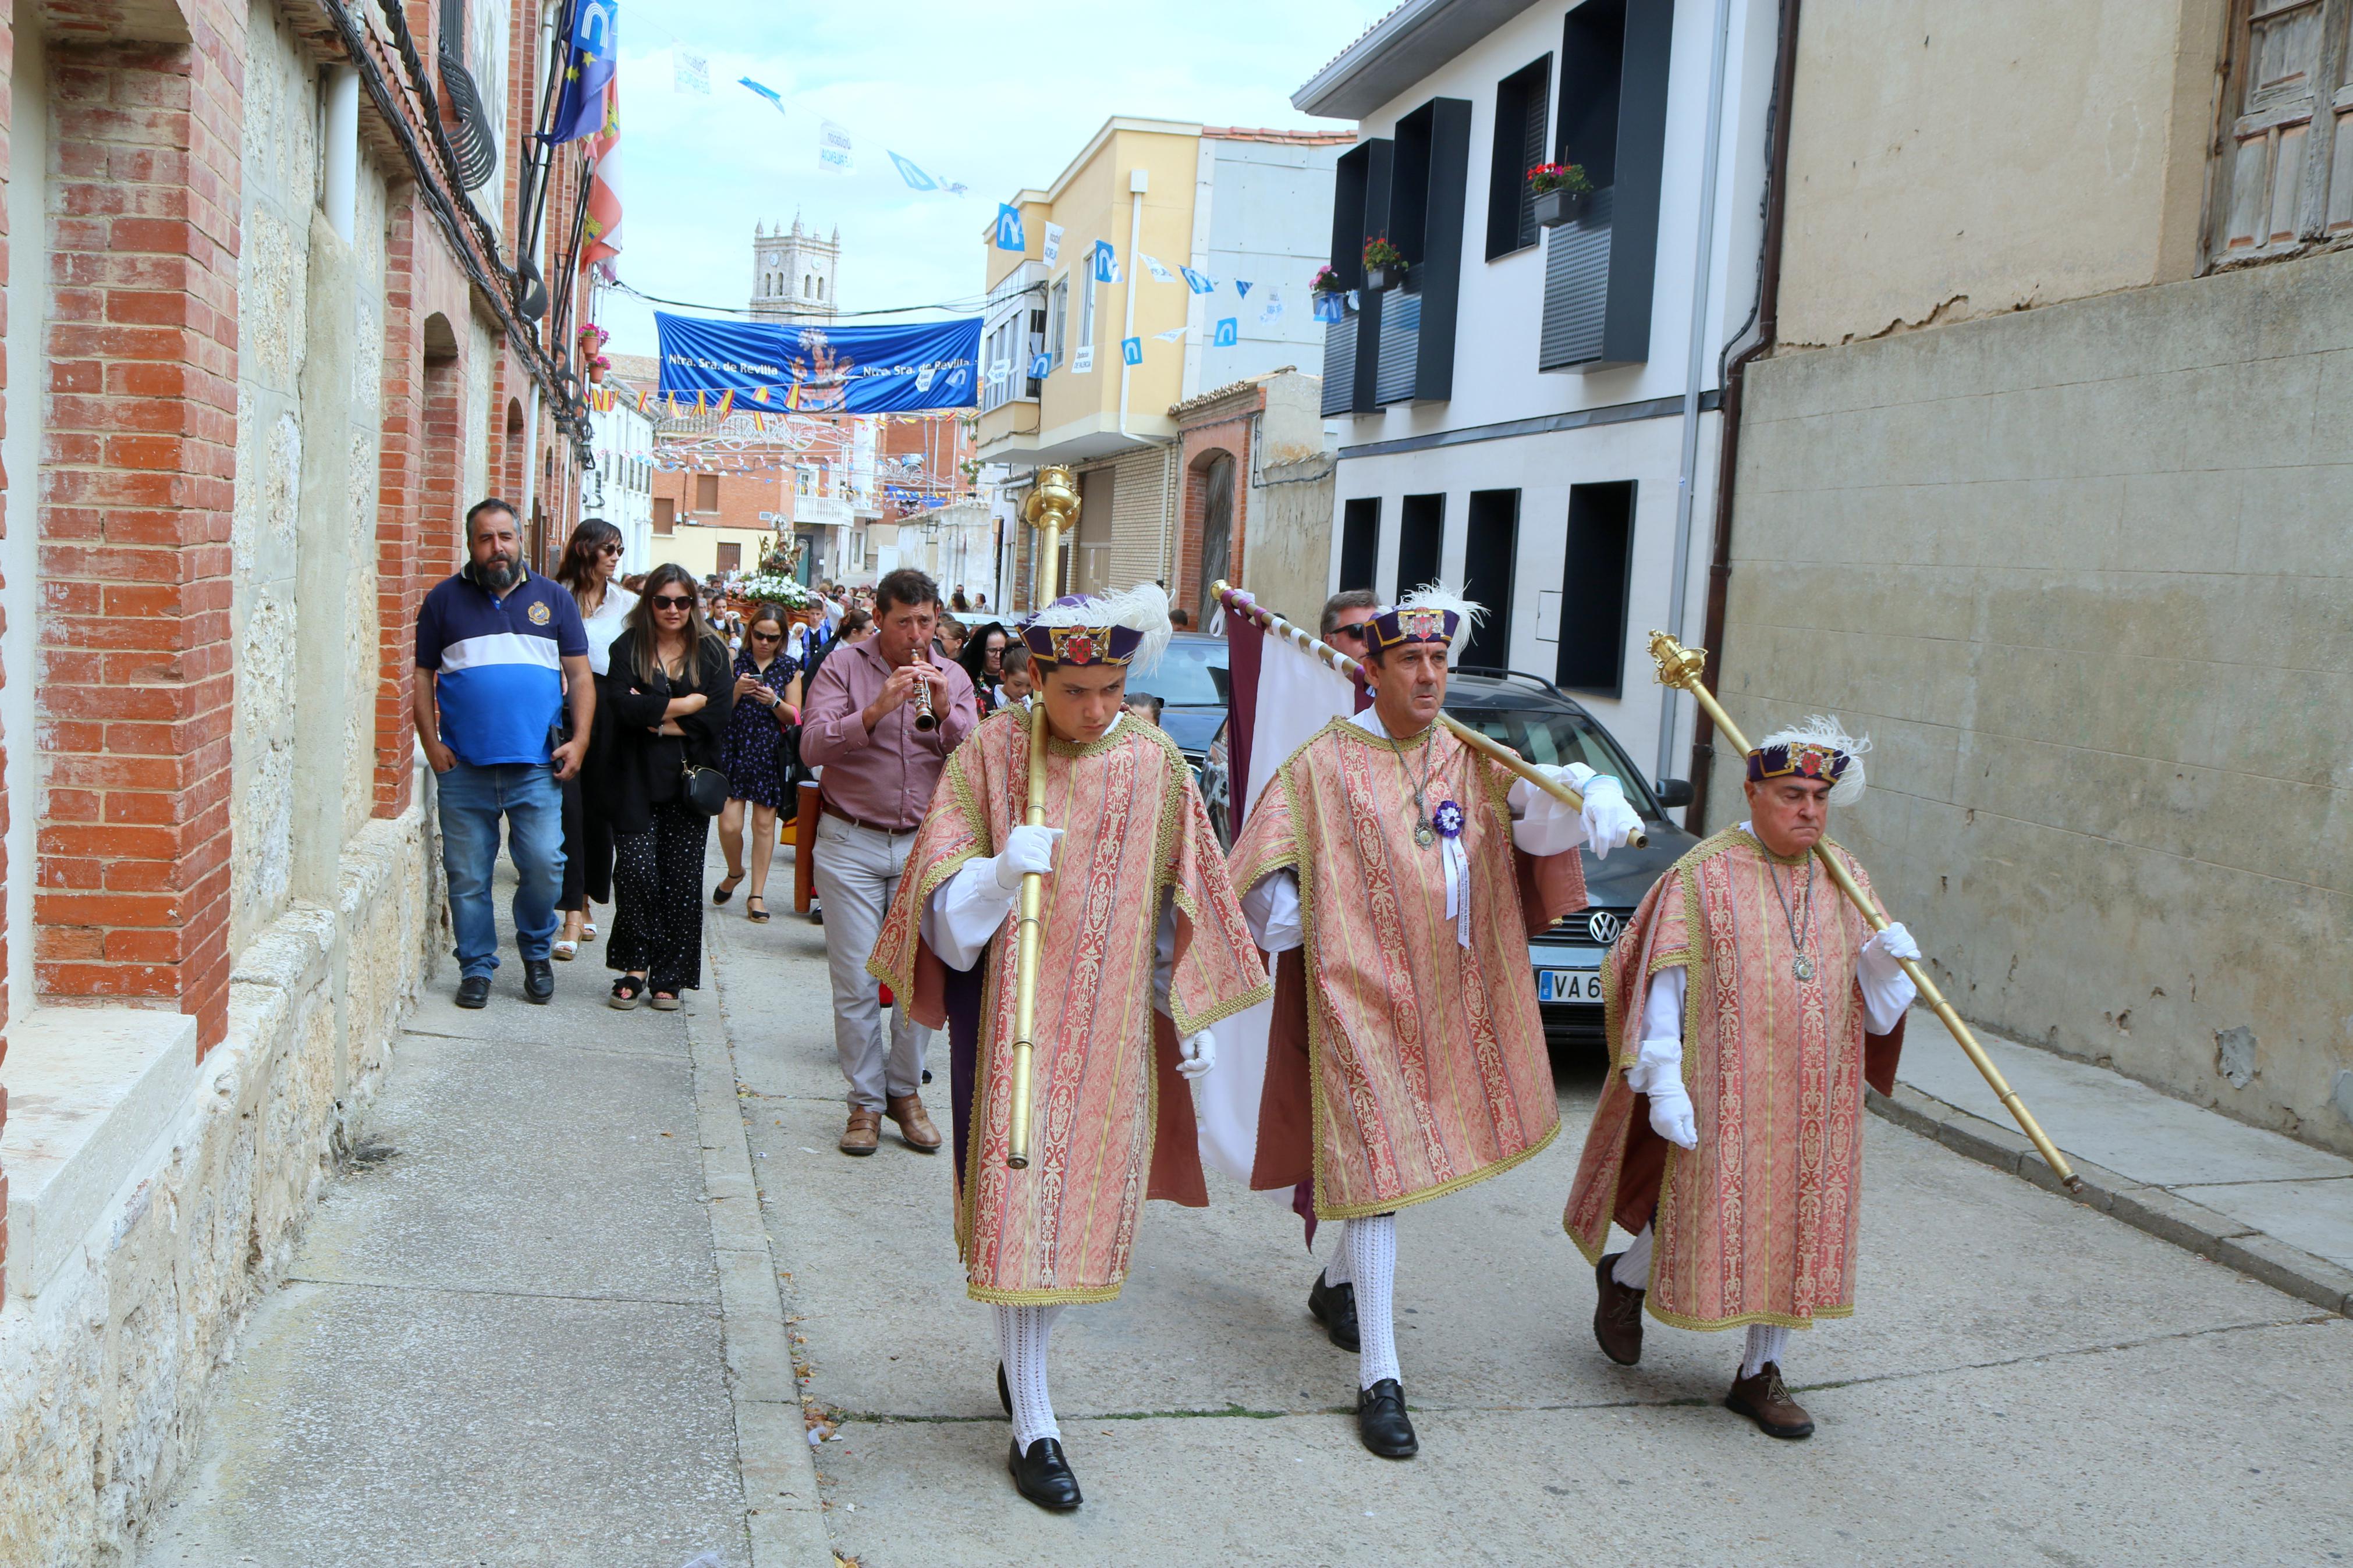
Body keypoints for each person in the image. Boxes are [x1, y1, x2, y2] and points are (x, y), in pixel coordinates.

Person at [867, 583, 1269, 1512]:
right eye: (1075, 689)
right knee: (1017, 1204)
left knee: (1070, 1213)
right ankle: (1036, 1420)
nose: (1096, 709)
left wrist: (1195, 1018)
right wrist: (996, 872)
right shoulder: (993, 753)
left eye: (1113, 688)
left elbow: (1195, 899)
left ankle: (1026, 1370)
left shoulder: (1156, 764)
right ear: (1034, 677)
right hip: (1010, 1025)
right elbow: (938, 913)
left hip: (1109, 1033)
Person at [1224, 584, 1645, 1458]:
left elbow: (1533, 830)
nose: (1427, 675)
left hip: (1445, 995)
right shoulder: (1321, 765)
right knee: (1377, 1172)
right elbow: (1254, 879)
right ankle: (1380, 1374)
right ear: (1369, 671)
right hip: (1356, 996)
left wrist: (1585, 786)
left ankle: (1334, 1281)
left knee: (1397, 1167)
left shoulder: (1471, 752)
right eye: (1409, 660)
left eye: (1438, 660)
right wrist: (1294, 907)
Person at [1563, 718, 1918, 1441]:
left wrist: (1885, 965)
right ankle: (1625, 1279)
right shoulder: (1702, 874)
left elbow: (1879, 1018)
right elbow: (1660, 984)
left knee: (1792, 1220)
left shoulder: (1845, 876)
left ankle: (1760, 1372)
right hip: (1724, 1084)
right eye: (1791, 794)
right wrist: (1661, 1079)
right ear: (1752, 792)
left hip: (1816, 1096)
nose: (1809, 811)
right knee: (1708, 1212)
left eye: (1819, 796)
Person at [800, 568, 979, 1155]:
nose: (915, 634)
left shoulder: (951, 673)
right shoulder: (842, 666)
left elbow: (975, 759)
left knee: (919, 979)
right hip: (850, 840)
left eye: (925, 621)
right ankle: (864, 1103)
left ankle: (903, 1091)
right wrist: (874, 710)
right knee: (855, 980)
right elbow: (812, 746)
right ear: (879, 617)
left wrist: (949, 710)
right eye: (903, 621)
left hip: (923, 845)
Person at [413, 499, 592, 1009]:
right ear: (471, 545)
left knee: (543, 864)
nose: (497, 548)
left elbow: (579, 676)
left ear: (520, 540)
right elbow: (423, 677)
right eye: (486, 539)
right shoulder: (443, 601)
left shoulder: (553, 600)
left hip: (536, 767)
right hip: (464, 767)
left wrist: (578, 741)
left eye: (505, 537)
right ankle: (476, 966)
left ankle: (536, 951)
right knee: (468, 875)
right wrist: (431, 743)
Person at [597, 564, 734, 1010]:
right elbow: (619, 708)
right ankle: (635, 963)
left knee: (680, 881)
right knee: (635, 873)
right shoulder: (627, 647)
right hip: (634, 778)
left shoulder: (711, 651)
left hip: (688, 784)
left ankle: (670, 974)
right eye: (663, 601)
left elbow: (715, 719)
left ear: (692, 603)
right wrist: (682, 705)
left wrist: (654, 718)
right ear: (649, 602)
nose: (672, 610)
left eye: (682, 601)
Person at [552, 519, 638, 961]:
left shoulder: (627, 603)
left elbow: (647, 653)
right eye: (608, 548)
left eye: (619, 550)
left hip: (608, 710)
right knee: (568, 807)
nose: (615, 557)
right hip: (560, 707)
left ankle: (586, 898)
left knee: (598, 807)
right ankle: (570, 905)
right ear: (586, 549)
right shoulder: (553, 594)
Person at [715, 602, 801, 925]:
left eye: (772, 637)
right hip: (735, 748)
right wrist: (736, 691)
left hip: (768, 751)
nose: (765, 642)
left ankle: (757, 894)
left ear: (781, 639)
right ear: (751, 632)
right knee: (729, 824)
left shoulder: (789, 667)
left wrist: (774, 701)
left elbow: (795, 715)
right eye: (760, 635)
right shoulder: (734, 661)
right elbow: (716, 709)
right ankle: (735, 872)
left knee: (764, 826)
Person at [957, 621, 1009, 717]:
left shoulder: (1014, 679)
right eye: (992, 650)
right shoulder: (966, 681)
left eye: (1002, 650)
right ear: (981, 651)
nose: (998, 656)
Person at [1319, 588, 1380, 662]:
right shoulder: (1306, 672)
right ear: (1330, 641)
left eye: (1376, 631)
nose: (1370, 642)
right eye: (1358, 631)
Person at [996, 644, 1033, 709]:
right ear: (1003, 676)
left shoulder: (1034, 702)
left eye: (1029, 685)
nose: (1024, 691)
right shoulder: (985, 704)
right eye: (1017, 684)